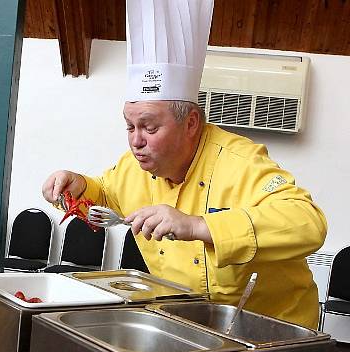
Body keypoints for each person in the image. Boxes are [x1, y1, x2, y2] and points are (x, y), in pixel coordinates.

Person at [42, 0, 326, 329]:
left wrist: (196, 226)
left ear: (191, 123)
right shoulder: (134, 167)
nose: (136, 141)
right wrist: (78, 184)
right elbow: (106, 194)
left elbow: (308, 222)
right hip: (191, 320)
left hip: (273, 330)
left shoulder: (239, 162)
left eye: (150, 128)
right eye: (130, 127)